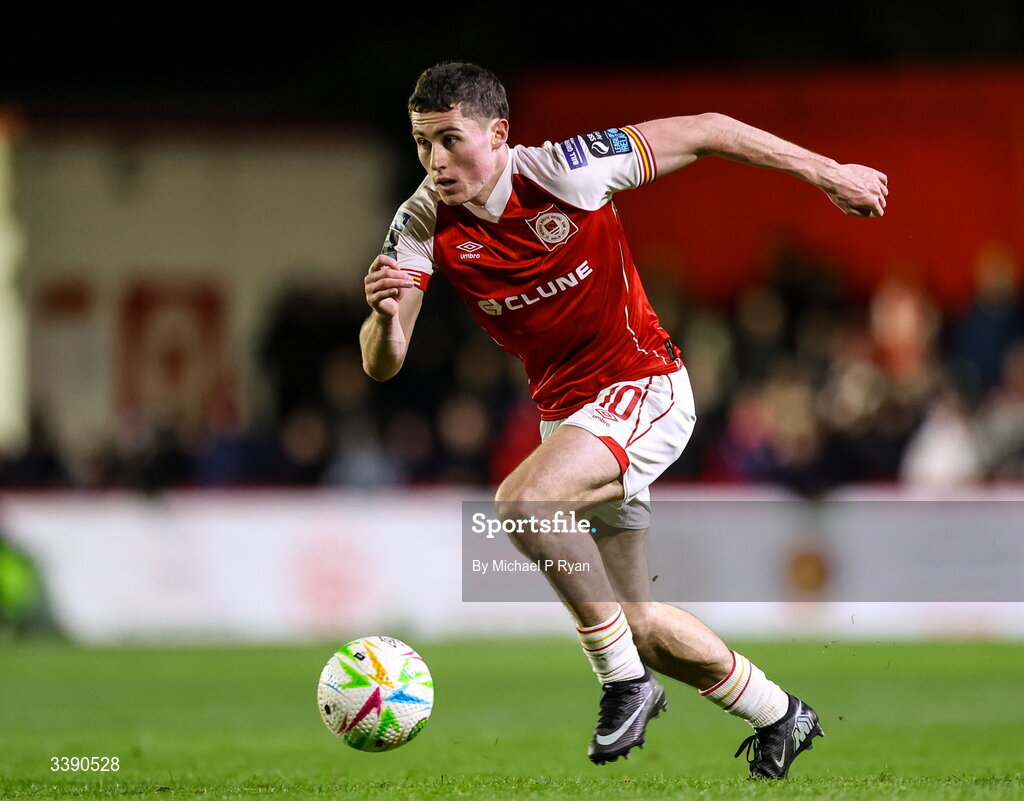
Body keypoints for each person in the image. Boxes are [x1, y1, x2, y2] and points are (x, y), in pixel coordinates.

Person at [360, 62, 888, 779]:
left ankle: (621, 683)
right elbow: (382, 364)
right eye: (423, 144)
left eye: (450, 140)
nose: (435, 161)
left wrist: (827, 172)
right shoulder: (421, 219)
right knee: (638, 624)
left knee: (523, 502)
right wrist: (387, 318)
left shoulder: (565, 171)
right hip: (571, 421)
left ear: (499, 134)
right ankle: (779, 712)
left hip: (644, 387)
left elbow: (708, 129)